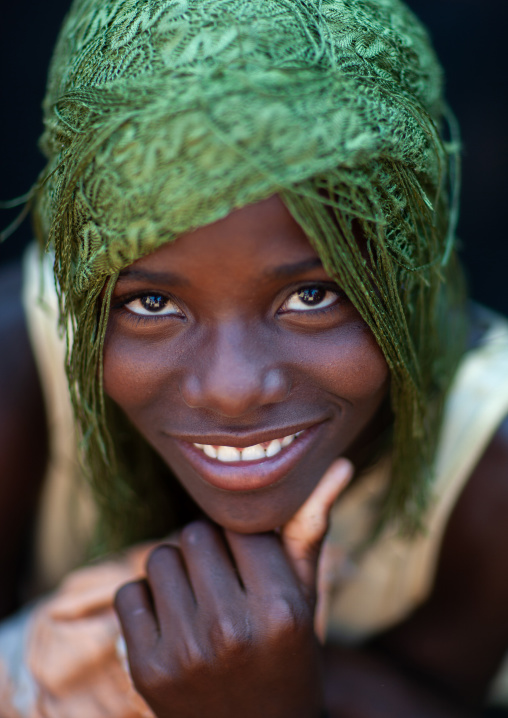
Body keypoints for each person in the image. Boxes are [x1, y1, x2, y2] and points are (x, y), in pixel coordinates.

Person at [1, 0, 508, 715]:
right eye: (151, 304)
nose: (233, 389)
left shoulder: (489, 473)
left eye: (311, 296)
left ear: (407, 264)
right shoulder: (19, 368)